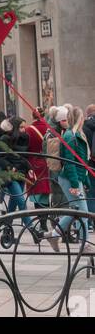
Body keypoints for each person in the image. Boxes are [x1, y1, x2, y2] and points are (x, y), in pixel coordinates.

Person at [49, 106, 95, 252]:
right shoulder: (70, 136)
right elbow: (69, 163)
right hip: (69, 179)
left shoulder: (77, 134)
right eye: (82, 118)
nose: (84, 120)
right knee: (82, 213)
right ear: (78, 119)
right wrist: (75, 184)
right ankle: (84, 244)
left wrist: (85, 181)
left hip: (75, 178)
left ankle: (54, 234)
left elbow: (82, 162)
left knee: (77, 211)